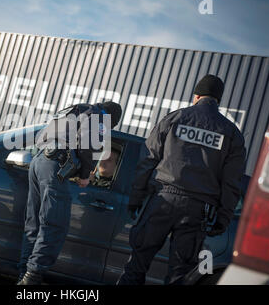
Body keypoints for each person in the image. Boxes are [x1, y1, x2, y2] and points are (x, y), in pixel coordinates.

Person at [117, 74, 246, 285]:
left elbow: (148, 160)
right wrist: (223, 217)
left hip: (161, 201)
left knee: (137, 265)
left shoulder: (174, 118)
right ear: (218, 100)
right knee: (179, 275)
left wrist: (136, 197)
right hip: (198, 211)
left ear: (196, 96)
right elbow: (232, 181)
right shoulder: (231, 133)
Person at [17, 101, 123, 285]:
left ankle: (23, 276)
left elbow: (42, 136)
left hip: (39, 161)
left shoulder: (77, 109)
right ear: (111, 118)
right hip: (55, 167)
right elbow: (88, 147)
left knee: (34, 225)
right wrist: (84, 176)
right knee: (54, 226)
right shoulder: (100, 117)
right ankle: (31, 279)